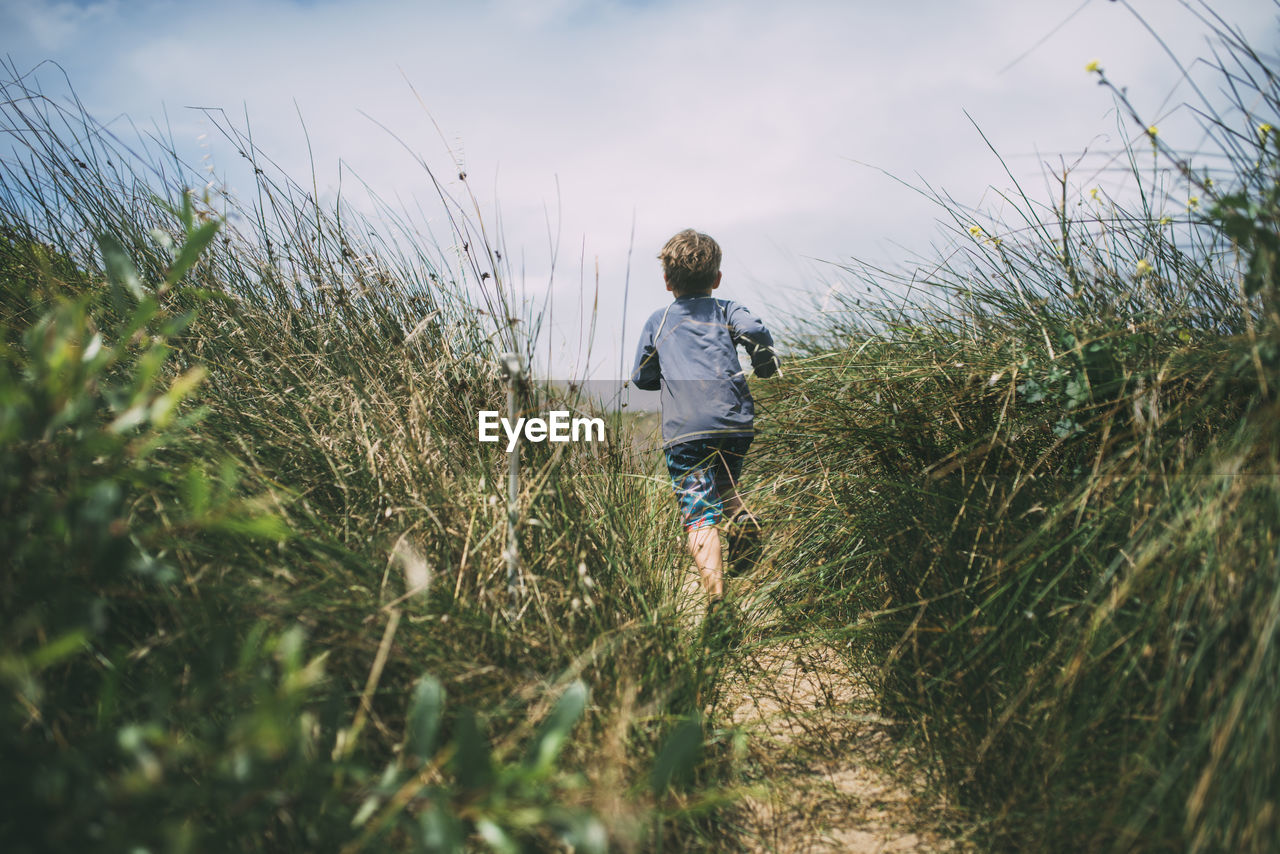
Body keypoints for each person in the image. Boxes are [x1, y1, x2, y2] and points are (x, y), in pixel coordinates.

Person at [631, 228, 780, 601]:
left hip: (687, 432)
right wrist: (761, 361)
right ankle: (743, 520)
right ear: (716, 277)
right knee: (726, 486)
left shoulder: (659, 321)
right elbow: (753, 330)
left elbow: (642, 377)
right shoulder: (727, 309)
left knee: (699, 512)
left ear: (667, 281)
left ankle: (716, 597)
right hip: (734, 423)